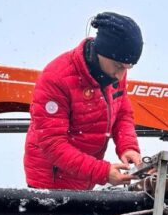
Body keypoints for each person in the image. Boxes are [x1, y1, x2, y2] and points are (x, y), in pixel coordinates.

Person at [24, 12, 143, 190]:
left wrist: (128, 147)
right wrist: (102, 172)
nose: (120, 75)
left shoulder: (116, 73)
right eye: (118, 66)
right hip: (51, 184)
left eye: (128, 67)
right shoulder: (56, 78)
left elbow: (122, 113)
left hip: (84, 179)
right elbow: (52, 144)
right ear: (101, 52)